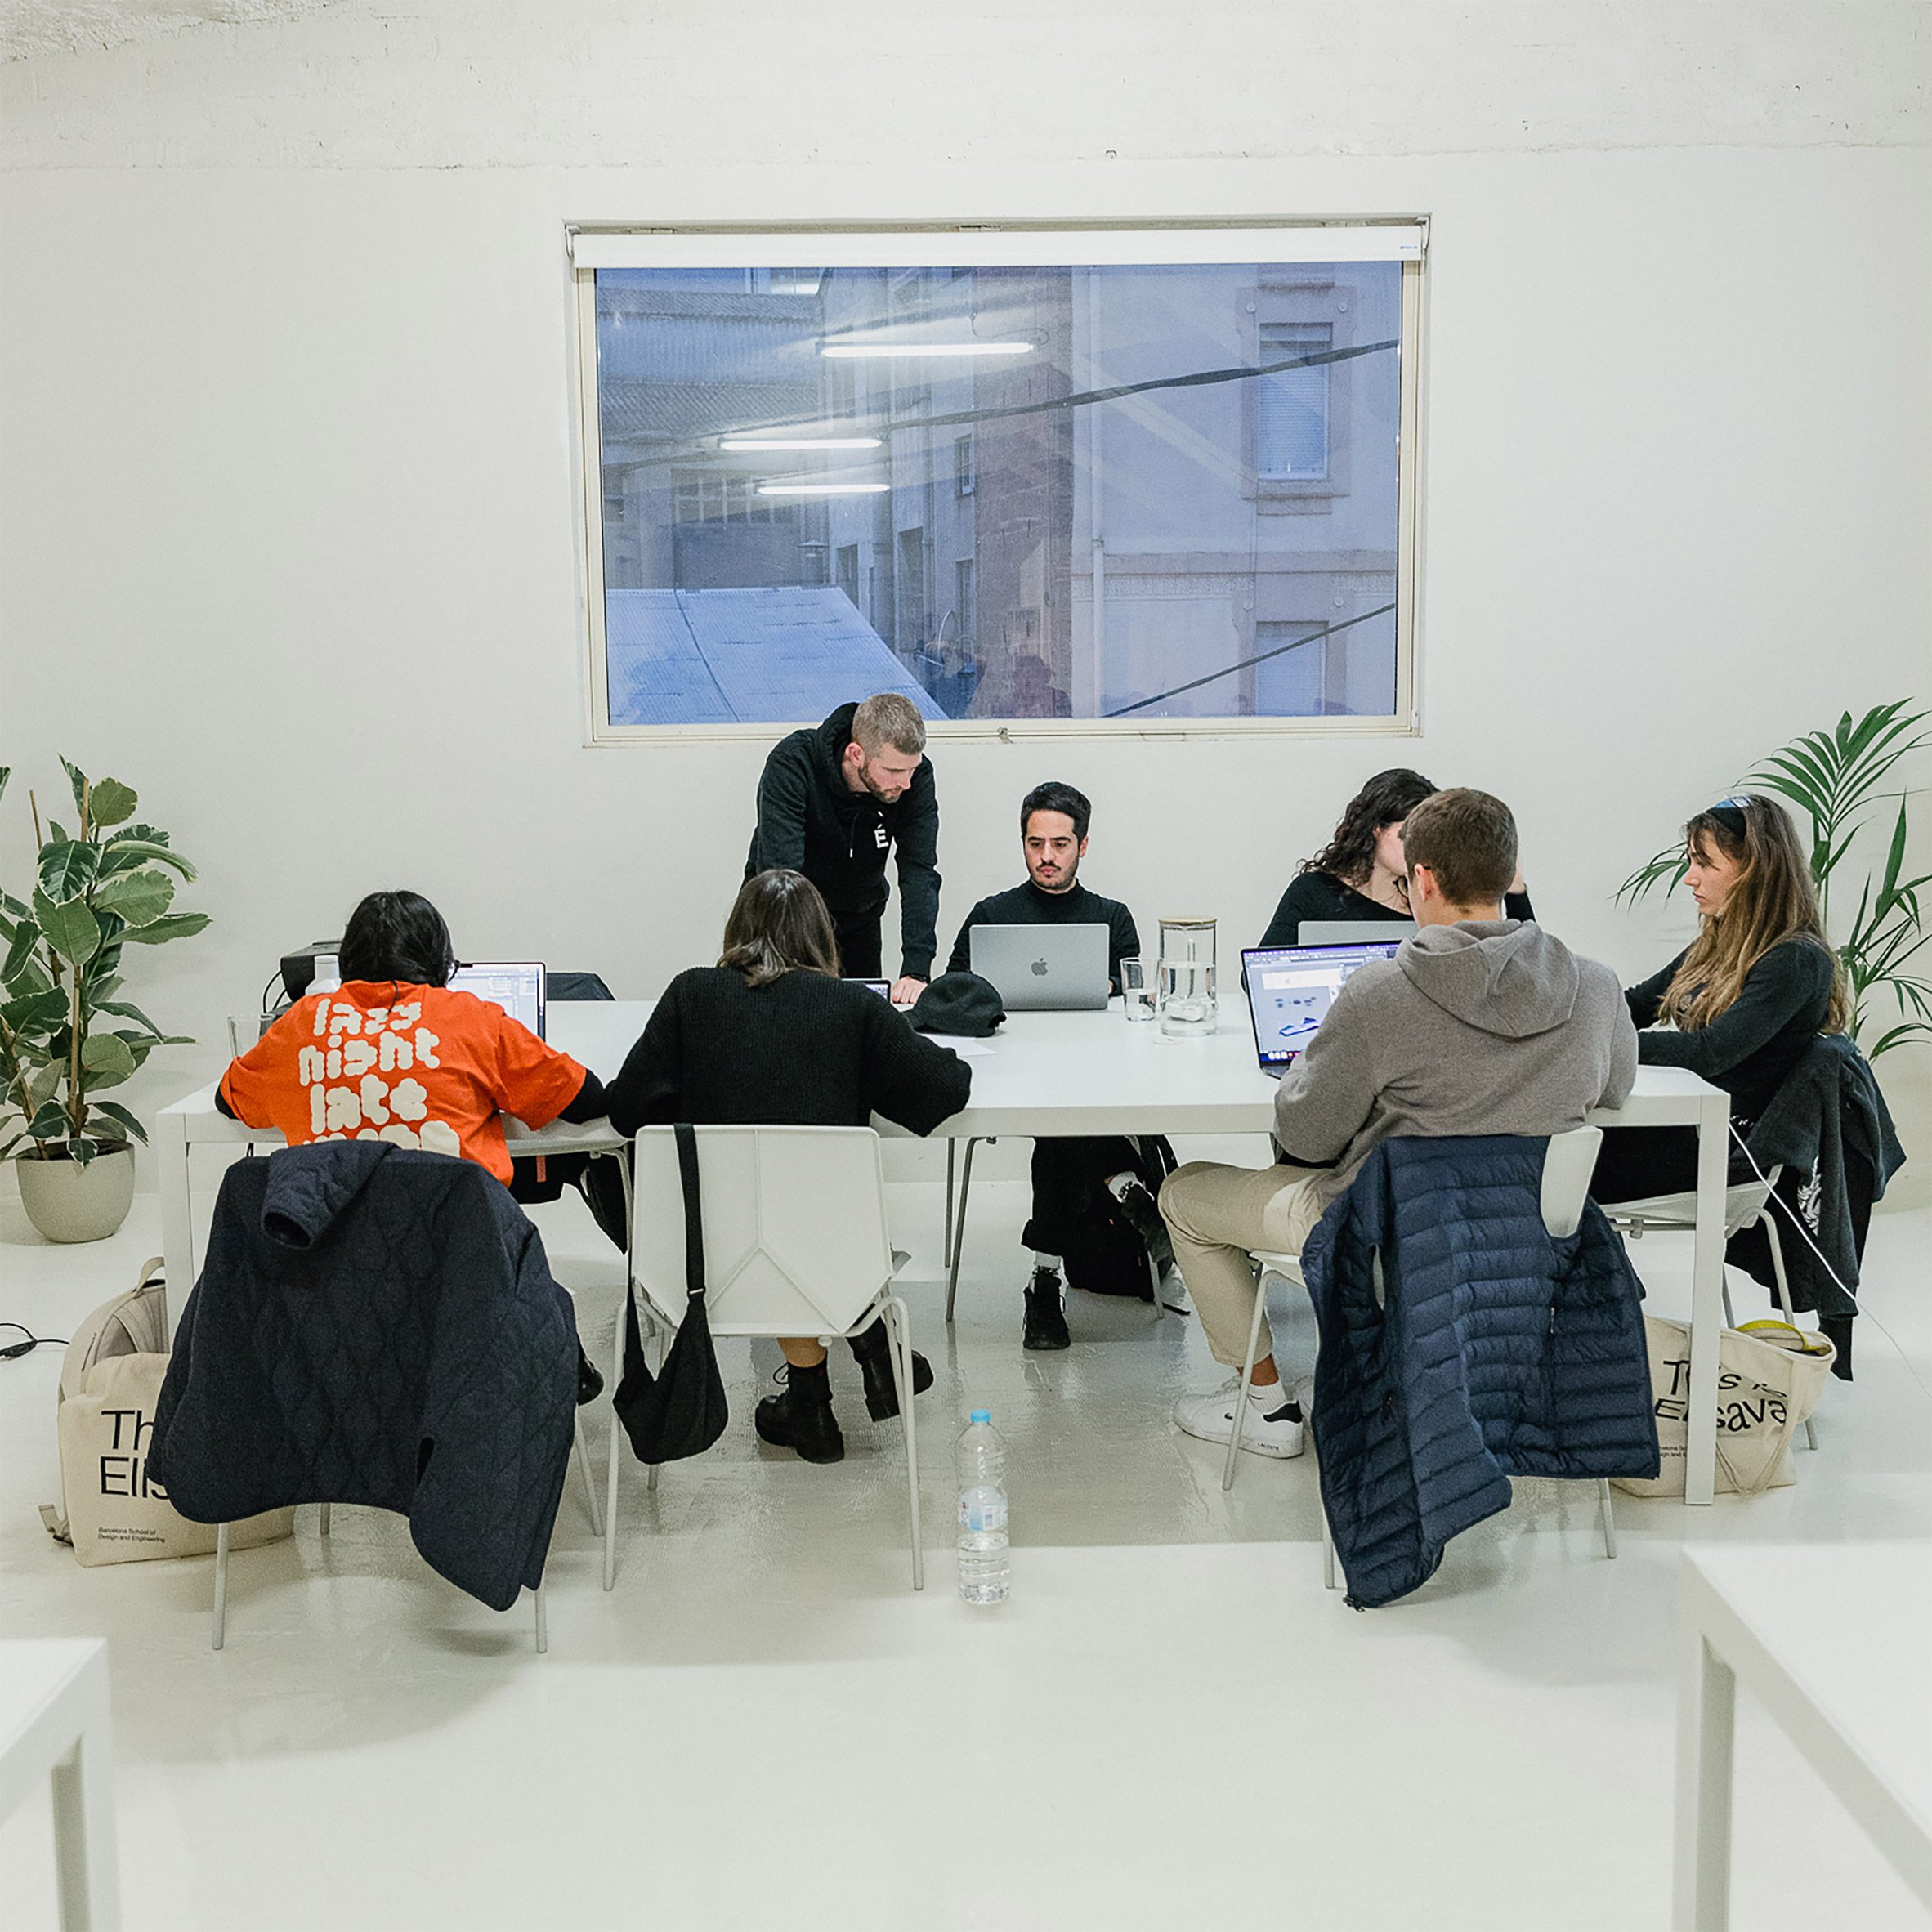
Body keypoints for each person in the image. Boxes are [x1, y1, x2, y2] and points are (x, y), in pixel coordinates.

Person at [1160, 789, 1635, 1460]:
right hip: (1523, 1252)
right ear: (1508, 876)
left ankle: (1265, 1406)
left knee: (1183, 1194)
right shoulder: (1596, 987)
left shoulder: (1379, 994)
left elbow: (1304, 1139)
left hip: (1391, 1247)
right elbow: (1613, 1086)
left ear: (1425, 880)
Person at [604, 869, 971, 1465]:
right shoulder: (851, 1006)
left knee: (764, 1207)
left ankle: (812, 1406)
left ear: (737, 929)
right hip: (829, 1264)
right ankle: (869, 1346)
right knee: (803, 1212)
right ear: (821, 936)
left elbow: (625, 1111)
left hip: (699, 1271)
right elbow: (945, 1090)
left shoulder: (689, 996)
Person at [945, 780, 1172, 1350]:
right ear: (1023, 843)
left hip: (1091, 1075)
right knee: (1061, 1122)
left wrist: (1114, 989)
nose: (1046, 856)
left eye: (1060, 844)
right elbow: (949, 995)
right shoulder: (991, 915)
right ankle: (1122, 1180)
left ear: (1083, 846)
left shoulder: (1111, 917)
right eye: (1035, 842)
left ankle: (1045, 1286)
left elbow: (1136, 1003)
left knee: (1060, 1133)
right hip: (1007, 1072)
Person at [217, 889, 606, 1182]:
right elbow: (584, 1099)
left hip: (332, 1270)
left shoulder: (301, 1023)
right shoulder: (472, 1018)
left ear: (346, 960)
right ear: (442, 962)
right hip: (460, 1258)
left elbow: (228, 1101)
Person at [1590, 793, 1848, 1205]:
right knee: (1553, 1152)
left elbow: (1709, 1052)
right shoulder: (1718, 942)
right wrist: (1572, 1018)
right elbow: (1637, 1004)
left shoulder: (1796, 960)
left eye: (1704, 863)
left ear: (1755, 872)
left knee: (1555, 1163)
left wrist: (1592, 1045)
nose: (1690, 877)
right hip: (1694, 1128)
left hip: (1727, 1150)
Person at [744, 692, 939, 1004]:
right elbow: (782, 875)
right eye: (893, 772)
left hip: (860, 918)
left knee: (856, 1027)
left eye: (911, 770)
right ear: (856, 754)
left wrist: (916, 970)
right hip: (783, 918)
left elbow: (919, 871)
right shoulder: (794, 763)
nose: (906, 784)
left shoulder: (913, 778)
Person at [1258, 767, 1533, 947]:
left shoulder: (1434, 890)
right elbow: (1257, 975)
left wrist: (1515, 888)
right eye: (1407, 835)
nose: (1419, 846)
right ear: (1376, 827)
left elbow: (1521, 959)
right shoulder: (1313, 892)